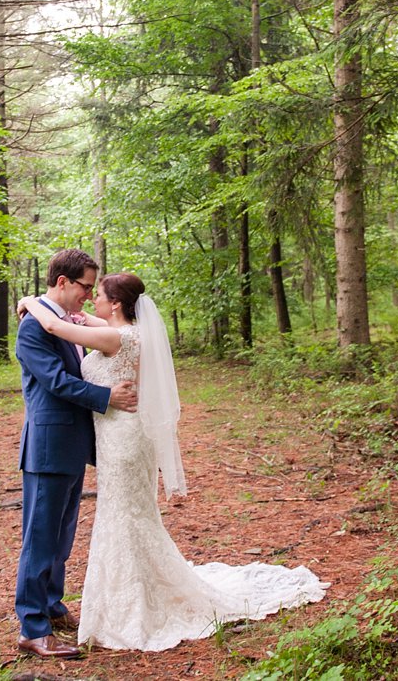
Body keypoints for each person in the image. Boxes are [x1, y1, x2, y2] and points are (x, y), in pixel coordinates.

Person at [18, 272, 327, 652]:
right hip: (107, 440)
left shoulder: (118, 337)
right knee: (107, 522)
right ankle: (52, 616)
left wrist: (30, 301)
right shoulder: (124, 330)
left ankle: (123, 606)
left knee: (118, 520)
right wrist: (43, 308)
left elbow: (55, 323)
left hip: (123, 441)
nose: (90, 298)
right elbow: (65, 334)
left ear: (115, 303)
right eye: (87, 288)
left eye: (96, 293)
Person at [14, 249, 138, 660]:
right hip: (49, 446)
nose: (89, 294)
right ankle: (32, 628)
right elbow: (55, 382)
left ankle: (51, 606)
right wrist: (108, 398)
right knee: (40, 537)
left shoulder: (64, 320)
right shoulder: (33, 327)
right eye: (85, 286)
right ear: (63, 282)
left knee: (62, 536)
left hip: (71, 445)